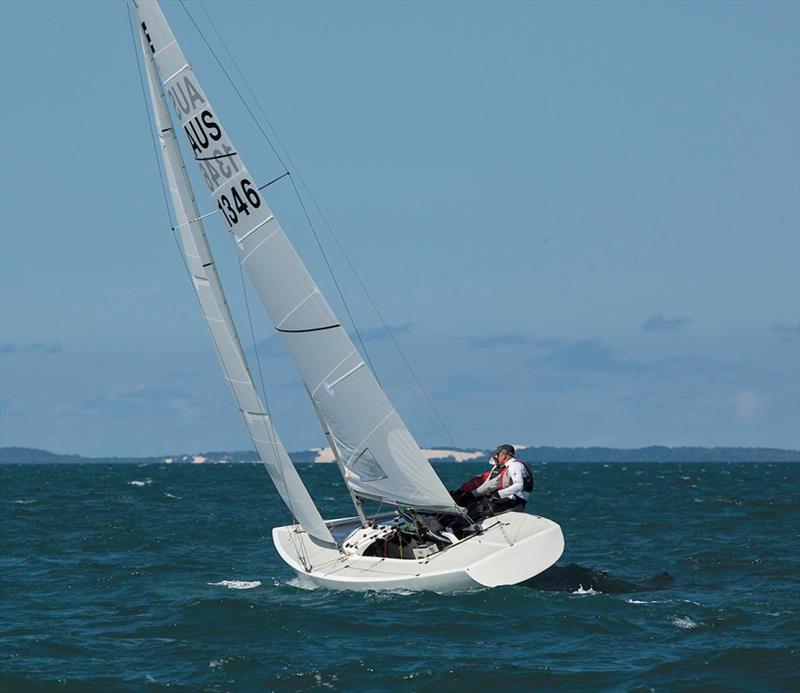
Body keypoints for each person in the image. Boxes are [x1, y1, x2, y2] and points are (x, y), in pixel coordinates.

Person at [453, 444, 533, 519]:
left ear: (503, 455)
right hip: (507, 500)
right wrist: (472, 495)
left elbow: (519, 485)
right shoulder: (506, 467)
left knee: (478, 510)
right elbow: (492, 483)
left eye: (497, 455)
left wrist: (499, 494)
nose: (496, 458)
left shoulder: (515, 466)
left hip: (515, 502)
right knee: (472, 503)